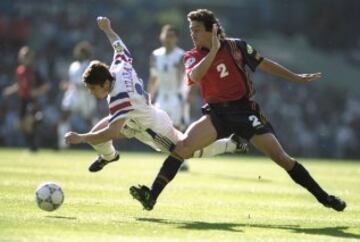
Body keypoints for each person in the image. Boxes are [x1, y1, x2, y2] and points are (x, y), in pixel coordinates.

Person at [129, 9, 346, 212]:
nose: (192, 34)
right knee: (183, 147)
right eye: (191, 30)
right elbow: (195, 77)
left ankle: (323, 197)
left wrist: (295, 77)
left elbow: (265, 64)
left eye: (196, 30)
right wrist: (213, 50)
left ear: (211, 29)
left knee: (281, 158)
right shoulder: (191, 56)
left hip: (244, 111)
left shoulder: (237, 46)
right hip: (217, 114)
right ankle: (152, 197)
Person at [64, 16, 248, 173]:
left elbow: (112, 132)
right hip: (137, 118)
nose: (91, 93)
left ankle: (230, 144)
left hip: (153, 129)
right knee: (96, 134)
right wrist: (107, 29)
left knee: (187, 150)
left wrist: (81, 138)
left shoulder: (121, 98)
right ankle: (110, 156)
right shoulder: (119, 66)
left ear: (105, 83)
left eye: (93, 89)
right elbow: (118, 46)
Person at [147, 24, 191, 171]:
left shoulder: (181, 56)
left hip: (177, 96)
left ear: (176, 38)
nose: (168, 38)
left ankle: (181, 160)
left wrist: (188, 94)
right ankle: (174, 156)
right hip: (162, 97)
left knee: (177, 128)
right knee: (160, 128)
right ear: (161, 36)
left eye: (172, 36)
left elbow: (187, 77)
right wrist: (149, 96)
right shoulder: (155, 55)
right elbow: (154, 78)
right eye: (166, 35)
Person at [3, 46, 49, 151]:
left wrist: (36, 92)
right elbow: (19, 85)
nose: (24, 58)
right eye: (23, 56)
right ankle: (32, 143)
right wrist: (10, 91)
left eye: (26, 56)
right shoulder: (20, 71)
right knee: (22, 124)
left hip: (31, 100)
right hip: (22, 100)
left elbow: (46, 85)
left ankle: (34, 144)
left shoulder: (34, 71)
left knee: (28, 121)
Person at [57, 41, 97, 149]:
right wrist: (67, 84)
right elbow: (72, 81)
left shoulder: (91, 65)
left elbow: (92, 82)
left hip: (85, 95)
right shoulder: (73, 65)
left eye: (82, 52)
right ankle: (62, 145)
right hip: (73, 94)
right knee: (64, 116)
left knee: (89, 119)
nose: (79, 54)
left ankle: (99, 142)